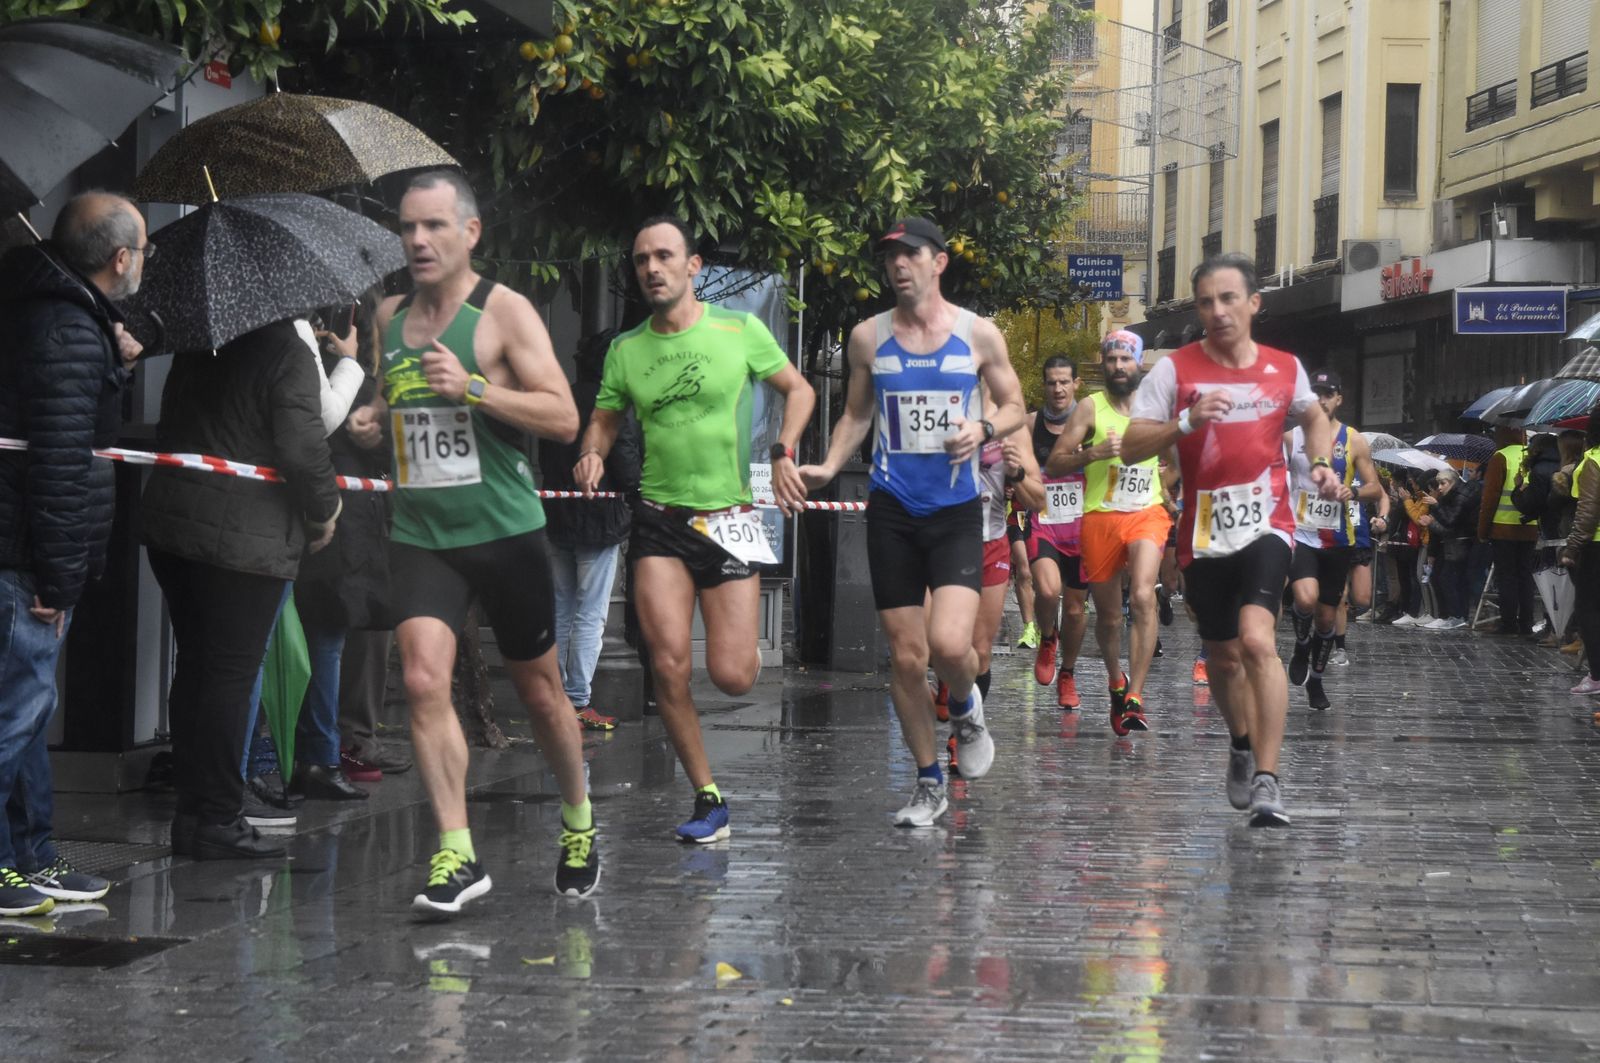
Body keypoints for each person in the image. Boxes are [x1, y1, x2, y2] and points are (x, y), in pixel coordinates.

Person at [374, 170, 598, 912]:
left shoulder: (503, 312)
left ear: (470, 233)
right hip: (422, 533)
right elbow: (398, 403)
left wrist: (472, 387)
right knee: (420, 679)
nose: (417, 240)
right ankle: (457, 854)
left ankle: (577, 819)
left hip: (504, 531)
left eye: (434, 225)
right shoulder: (386, 316)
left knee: (539, 692)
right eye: (407, 226)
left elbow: (564, 417)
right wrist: (374, 419)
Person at [575, 215, 813, 843]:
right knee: (670, 664)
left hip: (730, 516)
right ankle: (708, 797)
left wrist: (785, 449)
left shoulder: (740, 330)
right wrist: (593, 449)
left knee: (733, 674)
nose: (650, 268)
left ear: (692, 267)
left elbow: (801, 390)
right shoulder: (627, 350)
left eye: (663, 256)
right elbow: (602, 419)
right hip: (658, 520)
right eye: (641, 259)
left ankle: (744, 656)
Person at [799, 217, 1025, 828]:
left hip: (955, 509)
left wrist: (982, 428)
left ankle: (966, 705)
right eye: (890, 257)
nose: (898, 265)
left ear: (939, 262)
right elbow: (855, 415)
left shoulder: (979, 335)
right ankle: (929, 783)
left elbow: (1014, 406)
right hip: (892, 509)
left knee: (952, 646)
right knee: (905, 656)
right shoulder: (868, 338)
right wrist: (826, 464)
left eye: (911, 254)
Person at [1122, 252, 1340, 827]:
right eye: (1205, 302)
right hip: (1204, 530)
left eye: (1228, 299)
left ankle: (1268, 779)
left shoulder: (1282, 367)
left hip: (1268, 522)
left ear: (1253, 304)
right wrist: (1185, 424)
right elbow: (1131, 445)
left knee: (1256, 640)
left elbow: (1314, 417)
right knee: (1221, 654)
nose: (1217, 312)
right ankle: (1241, 743)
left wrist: (1318, 462)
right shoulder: (1175, 371)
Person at [143, 313, 341, 859]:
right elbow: (303, 449)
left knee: (197, 671)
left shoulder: (199, 347)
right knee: (230, 674)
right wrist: (325, 511)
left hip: (174, 527)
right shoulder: (287, 352)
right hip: (244, 546)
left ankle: (195, 812)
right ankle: (218, 819)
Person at [0, 192, 145, 914]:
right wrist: (58, 576)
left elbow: (87, 437)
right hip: (28, 558)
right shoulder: (65, 325)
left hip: (27, 550)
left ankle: (31, 857)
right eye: (142, 250)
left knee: (25, 716)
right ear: (120, 259)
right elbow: (61, 461)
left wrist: (112, 364)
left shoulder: (61, 316)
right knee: (13, 716)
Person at [287, 303, 392, 802]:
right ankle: (322, 753)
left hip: (304, 521)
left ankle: (312, 749)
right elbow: (385, 449)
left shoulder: (299, 367)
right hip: (340, 531)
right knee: (327, 643)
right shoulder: (359, 386)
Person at [1045, 330, 1173, 735]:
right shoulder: (1089, 408)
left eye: (1126, 359)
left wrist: (1169, 487)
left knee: (1141, 594)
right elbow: (1054, 464)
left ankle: (1135, 695)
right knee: (1109, 617)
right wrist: (1091, 454)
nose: (1119, 366)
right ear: (1103, 364)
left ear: (1139, 364)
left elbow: (1177, 455)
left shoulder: (1157, 409)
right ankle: (1115, 680)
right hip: (1100, 516)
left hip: (1146, 514)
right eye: (1112, 359)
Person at [540, 329, 641, 733]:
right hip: (601, 519)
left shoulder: (561, 396)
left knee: (562, 609)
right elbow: (626, 461)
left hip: (559, 513)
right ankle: (578, 700)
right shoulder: (613, 403)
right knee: (591, 613)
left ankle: (554, 697)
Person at [1282, 369, 1386, 710]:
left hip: (1339, 538)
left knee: (1327, 618)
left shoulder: (1353, 439)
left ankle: (1317, 678)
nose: (1322, 399)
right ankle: (1300, 643)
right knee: (1305, 599)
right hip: (1301, 534)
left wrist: (1352, 491)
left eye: (1328, 393)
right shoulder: (1291, 438)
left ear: (1339, 398)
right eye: (1316, 393)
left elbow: (1375, 488)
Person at [948, 408, 1044, 774]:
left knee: (980, 651)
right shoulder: (942, 411)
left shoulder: (1011, 427)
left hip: (991, 543)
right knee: (944, 645)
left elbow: (1039, 499)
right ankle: (951, 692)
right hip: (946, 542)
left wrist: (1016, 472)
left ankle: (961, 734)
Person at [1026, 355, 1091, 711]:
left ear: (1076, 384)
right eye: (1052, 382)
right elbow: (1014, 465)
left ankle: (1068, 673)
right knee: (1048, 590)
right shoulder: (1030, 423)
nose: (1058, 388)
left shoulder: (1090, 424)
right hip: (1045, 524)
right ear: (1044, 385)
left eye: (1065, 381)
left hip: (1082, 530)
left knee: (1078, 611)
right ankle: (1048, 637)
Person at [1477, 426, 1539, 636]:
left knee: (1507, 577)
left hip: (1503, 529)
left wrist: (1483, 530)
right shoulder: (1531, 455)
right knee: (1525, 576)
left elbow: (1490, 497)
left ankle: (1509, 622)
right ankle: (1527, 623)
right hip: (1529, 527)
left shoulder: (1500, 457)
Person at [1560, 407, 1600, 694]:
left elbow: (1587, 511)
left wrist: (1572, 548)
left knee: (1590, 610)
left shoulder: (1593, 460)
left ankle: (1597, 676)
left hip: (1595, 547)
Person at [1423, 468, 1478, 630]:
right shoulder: (1454, 496)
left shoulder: (1459, 496)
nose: (1439, 487)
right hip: (1455, 542)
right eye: (1438, 483)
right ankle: (1456, 615)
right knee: (1452, 579)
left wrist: (1436, 506)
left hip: (1460, 543)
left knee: (1450, 579)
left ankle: (1457, 615)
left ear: (1452, 482)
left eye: (1443, 483)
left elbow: (1450, 520)